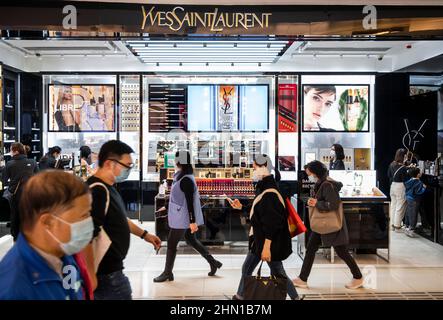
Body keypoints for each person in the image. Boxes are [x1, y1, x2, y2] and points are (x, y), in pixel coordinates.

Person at [0, 171, 94, 299]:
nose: (89, 222)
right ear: (48, 222)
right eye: (84, 216)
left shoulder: (62, 253)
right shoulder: (14, 289)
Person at [87, 140, 161, 300]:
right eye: (127, 165)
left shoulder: (109, 188)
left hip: (113, 272)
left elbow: (120, 219)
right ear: (109, 163)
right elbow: (86, 235)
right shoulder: (97, 191)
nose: (128, 170)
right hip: (105, 276)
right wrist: (90, 273)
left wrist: (145, 235)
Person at [228, 154, 300, 300]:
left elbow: (271, 222)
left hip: (266, 241)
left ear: (263, 168)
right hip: (260, 240)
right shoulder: (265, 186)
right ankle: (240, 296)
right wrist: (242, 207)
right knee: (252, 269)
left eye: (254, 167)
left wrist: (267, 247)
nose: (253, 171)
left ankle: (295, 298)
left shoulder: (270, 192)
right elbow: (260, 211)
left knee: (278, 272)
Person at [292, 160, 364, 290]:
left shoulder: (327, 185)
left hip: (329, 225)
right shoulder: (323, 182)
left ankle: (358, 277)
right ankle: (303, 278)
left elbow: (333, 204)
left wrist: (316, 204)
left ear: (315, 173)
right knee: (311, 249)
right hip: (323, 225)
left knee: (341, 252)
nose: (309, 177)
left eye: (311, 174)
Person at [154, 150, 222, 282]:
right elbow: (176, 196)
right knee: (191, 240)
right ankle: (213, 262)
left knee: (172, 242)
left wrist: (192, 221)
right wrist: (166, 207)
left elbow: (190, 202)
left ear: (179, 161)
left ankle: (167, 272)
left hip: (183, 217)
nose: (174, 161)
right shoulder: (180, 175)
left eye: (176, 159)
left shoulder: (186, 179)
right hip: (179, 214)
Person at [387, 148, 409, 232]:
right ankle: (397, 226)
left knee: (393, 205)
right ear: (403, 156)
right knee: (400, 206)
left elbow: (388, 175)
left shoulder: (391, 164)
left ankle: (392, 224)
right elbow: (405, 179)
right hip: (400, 186)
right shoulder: (403, 168)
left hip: (392, 186)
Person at [404, 167, 427, 238]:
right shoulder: (418, 182)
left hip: (408, 198)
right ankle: (412, 229)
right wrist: (424, 187)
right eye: (420, 172)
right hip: (414, 200)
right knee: (414, 214)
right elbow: (419, 192)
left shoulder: (409, 181)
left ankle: (407, 226)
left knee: (408, 212)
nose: (421, 173)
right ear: (417, 174)